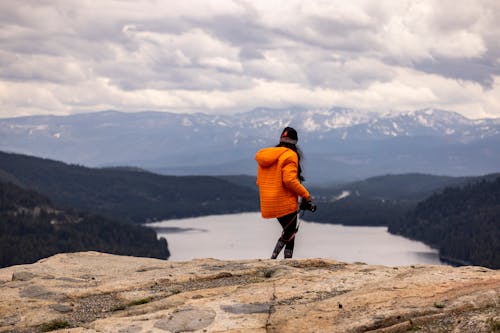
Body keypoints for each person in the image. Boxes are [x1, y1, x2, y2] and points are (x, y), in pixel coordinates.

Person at [255, 127, 314, 259]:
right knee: (290, 233)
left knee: (288, 231)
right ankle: (284, 261)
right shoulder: (290, 155)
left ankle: (275, 259)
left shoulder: (267, 156)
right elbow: (289, 181)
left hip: (269, 201)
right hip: (284, 201)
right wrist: (306, 195)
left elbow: (259, 181)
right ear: (295, 142)